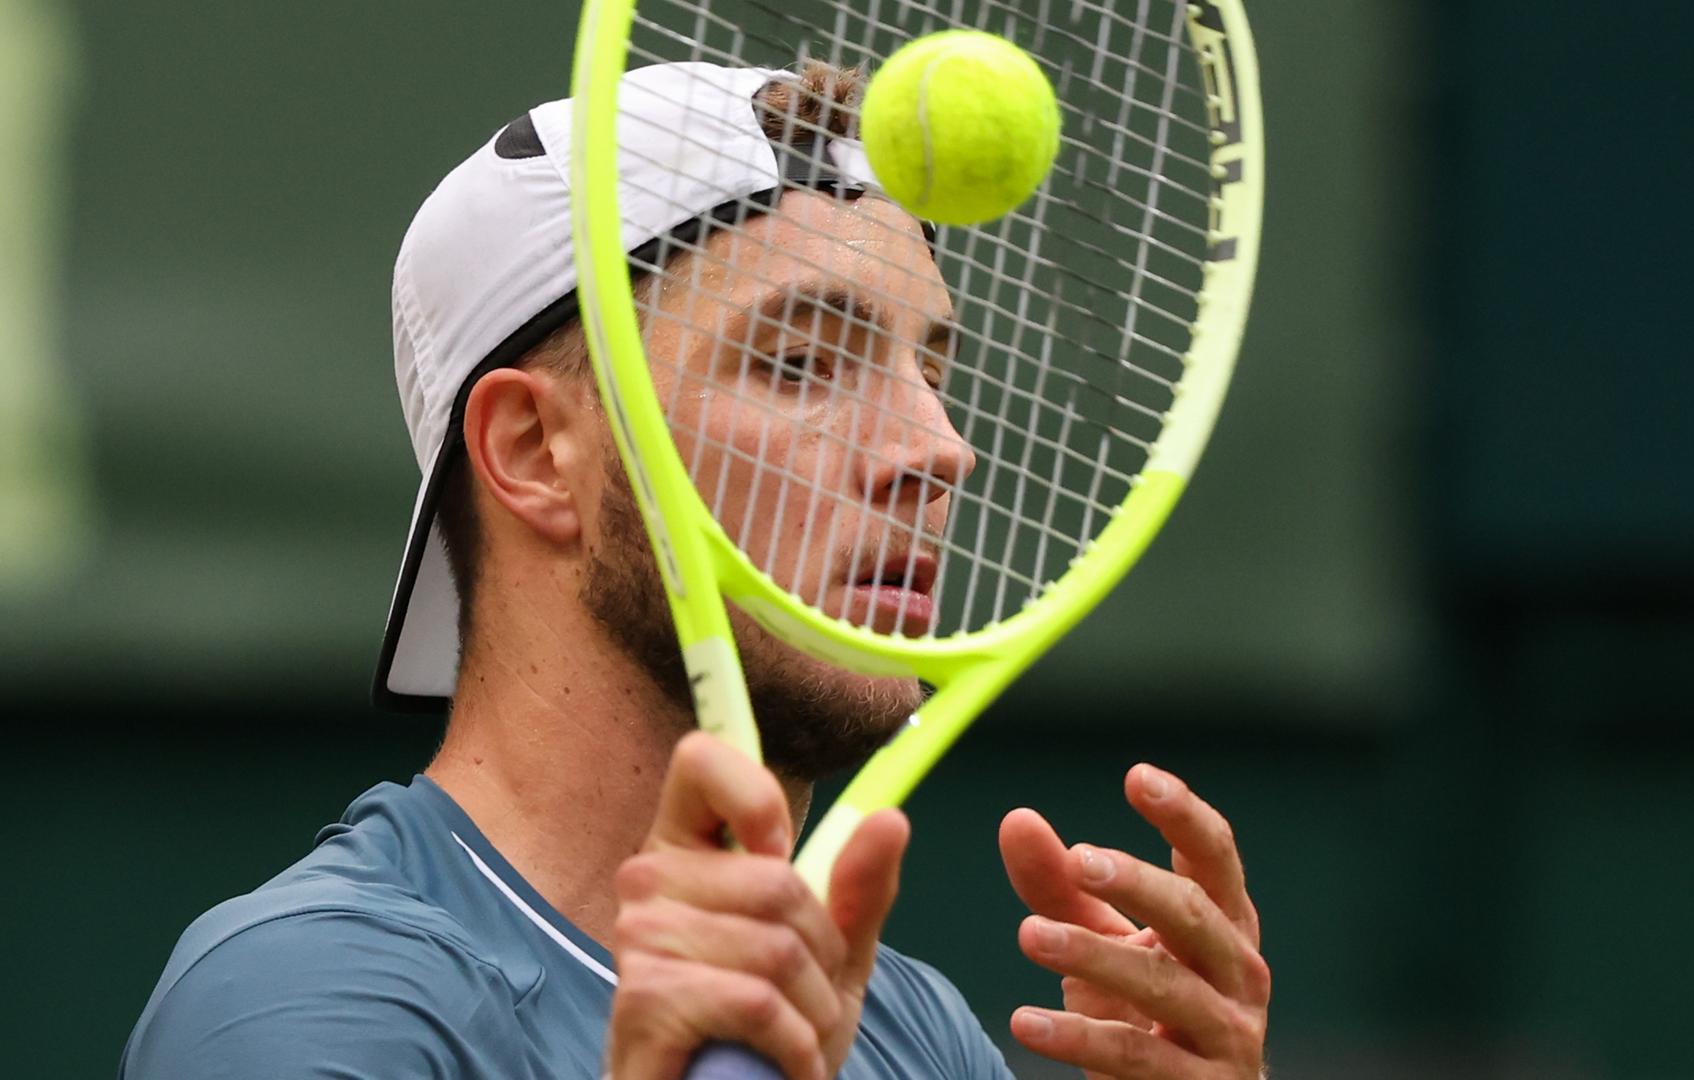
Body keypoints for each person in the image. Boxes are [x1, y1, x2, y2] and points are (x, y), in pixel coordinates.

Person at [121, 61, 1270, 1080]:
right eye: (804, 362)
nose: (937, 448)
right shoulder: (298, 1001)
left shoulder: (912, 1035)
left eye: (931, 370)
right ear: (535, 453)